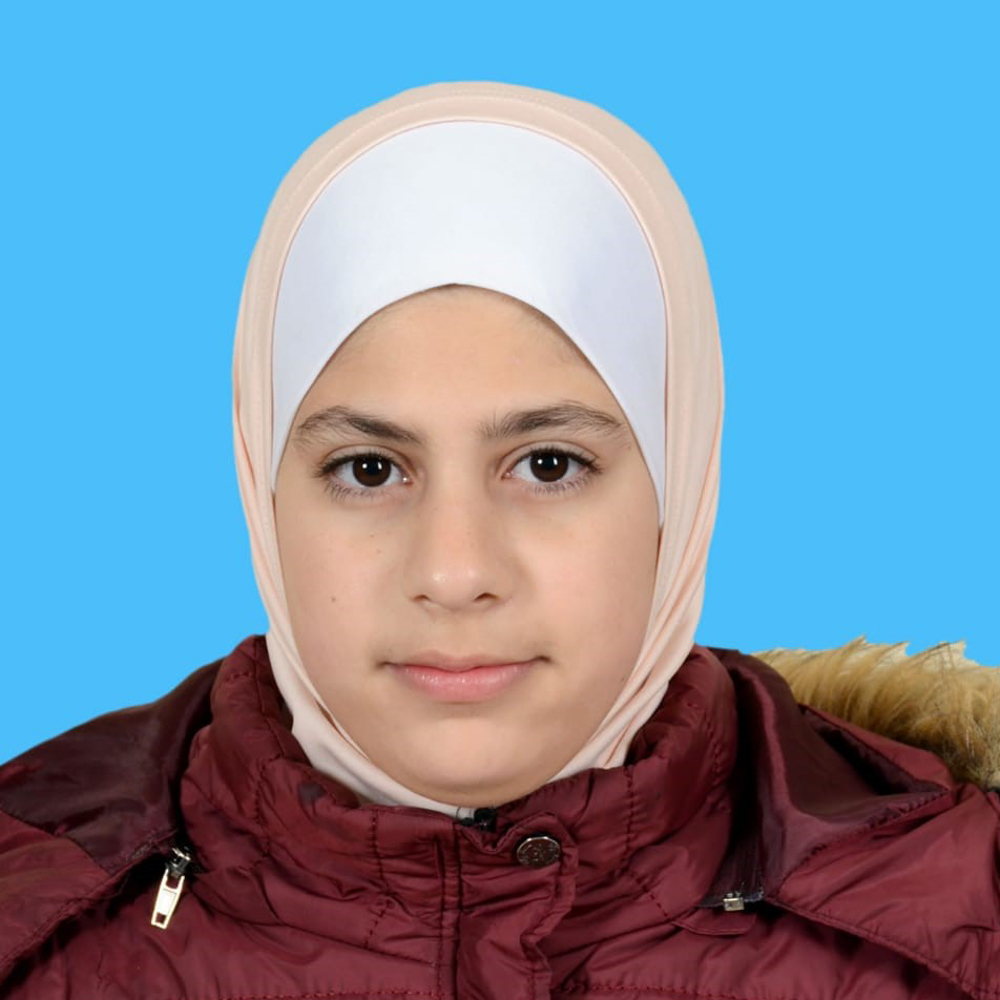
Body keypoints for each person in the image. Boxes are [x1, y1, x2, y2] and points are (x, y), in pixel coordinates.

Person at [0, 80, 997, 999]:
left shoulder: (964, 926)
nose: (455, 571)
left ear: (681, 483)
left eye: (549, 464)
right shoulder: (31, 915)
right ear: (265, 493)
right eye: (369, 469)